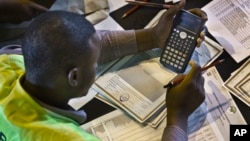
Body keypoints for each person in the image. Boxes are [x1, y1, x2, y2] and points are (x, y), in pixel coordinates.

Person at [0, 0, 207, 140]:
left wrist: (152, 37)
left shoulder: (8, 62)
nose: (97, 62)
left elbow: (84, 44)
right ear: (74, 76)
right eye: (94, 62)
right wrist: (178, 117)